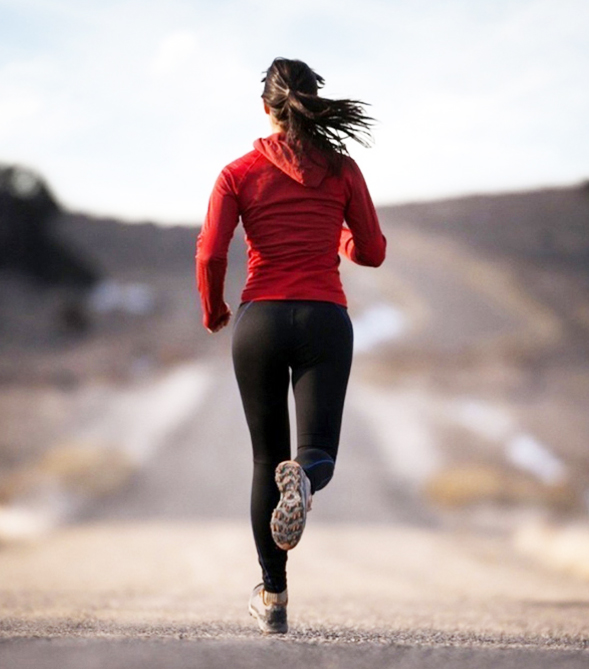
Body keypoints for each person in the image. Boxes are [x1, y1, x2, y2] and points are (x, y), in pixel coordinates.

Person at [196, 57, 386, 634]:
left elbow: (210, 251)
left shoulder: (238, 172)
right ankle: (303, 479)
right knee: (313, 452)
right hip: (325, 317)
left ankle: (273, 597)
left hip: (260, 321)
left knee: (262, 458)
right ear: (314, 102)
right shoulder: (342, 169)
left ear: (266, 108)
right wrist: (342, 234)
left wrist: (215, 309)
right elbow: (372, 252)